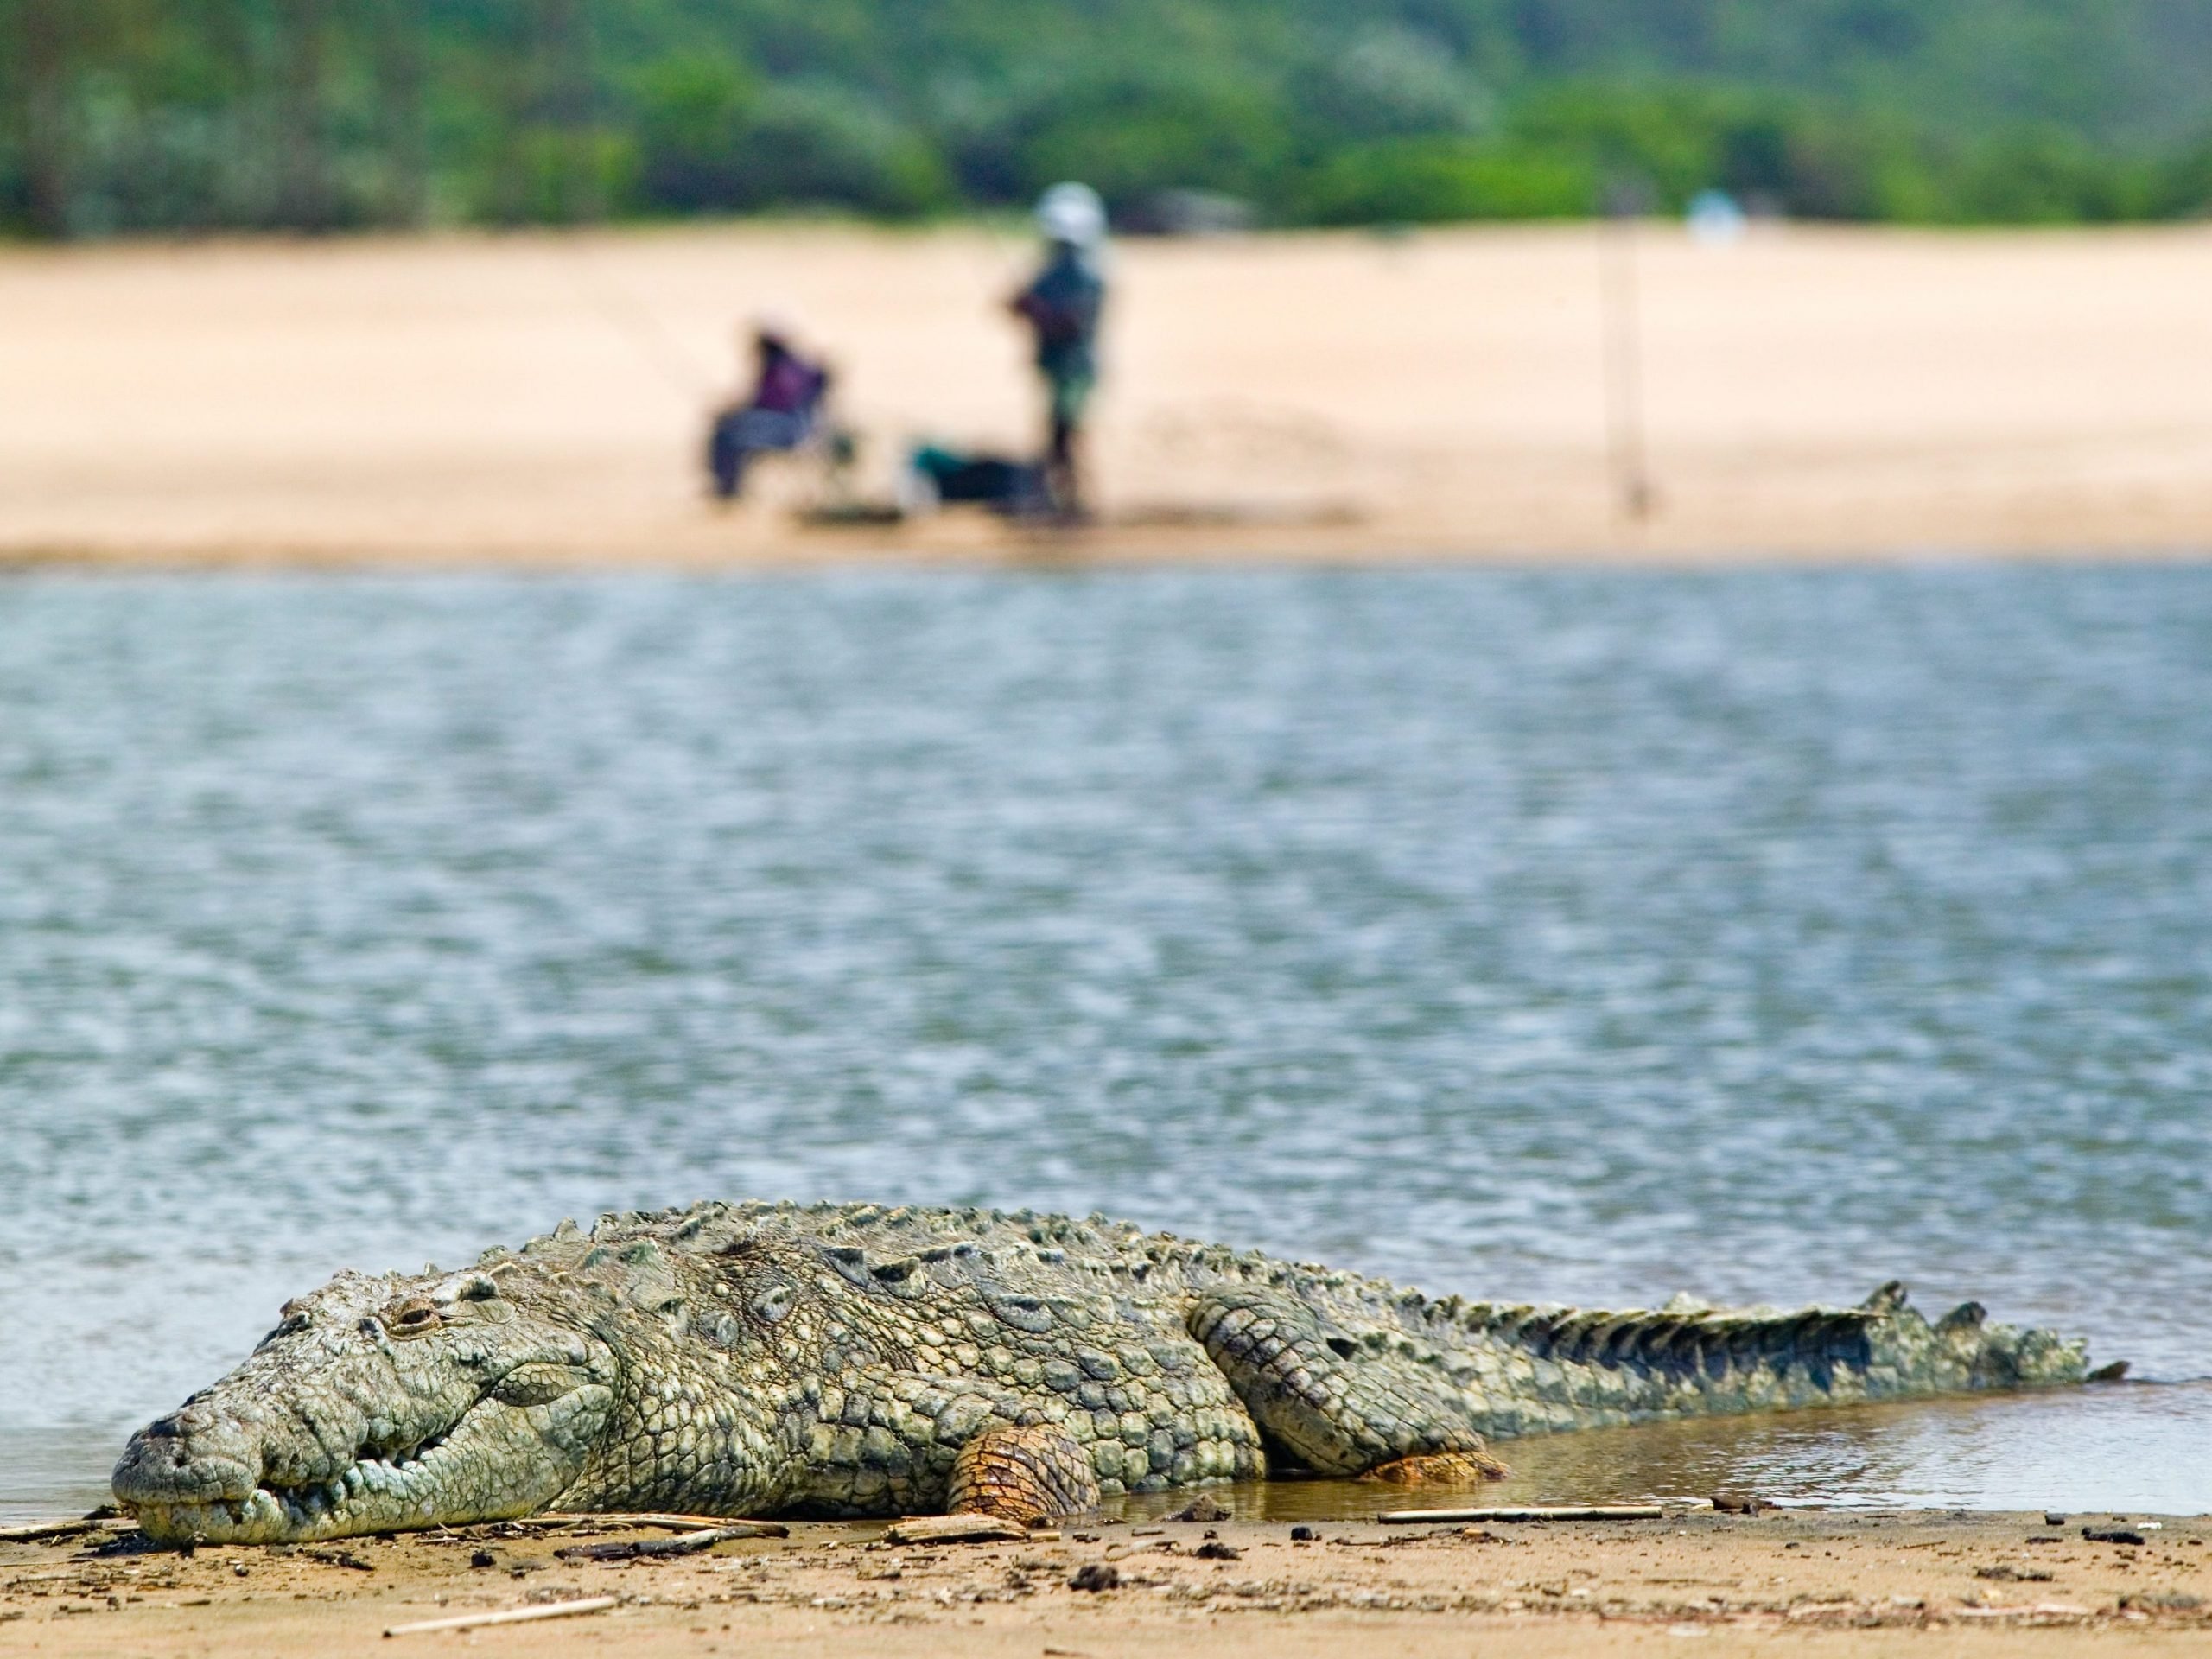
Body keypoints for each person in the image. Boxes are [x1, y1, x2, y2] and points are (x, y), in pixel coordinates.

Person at [1009, 182, 1107, 518]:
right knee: (1059, 432)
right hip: (1053, 364)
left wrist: (1036, 310)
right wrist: (1025, 305)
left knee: (1064, 433)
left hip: (1075, 367)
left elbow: (1074, 323)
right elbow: (1014, 305)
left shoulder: (1089, 276)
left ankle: (1069, 500)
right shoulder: (1048, 273)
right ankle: (1064, 499)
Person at [707, 318, 832, 501]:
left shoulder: (782, 370)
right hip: (791, 428)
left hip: (789, 432)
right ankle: (727, 485)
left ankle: (727, 487)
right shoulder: (795, 367)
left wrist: (734, 409)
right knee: (728, 429)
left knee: (727, 435)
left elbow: (771, 403)